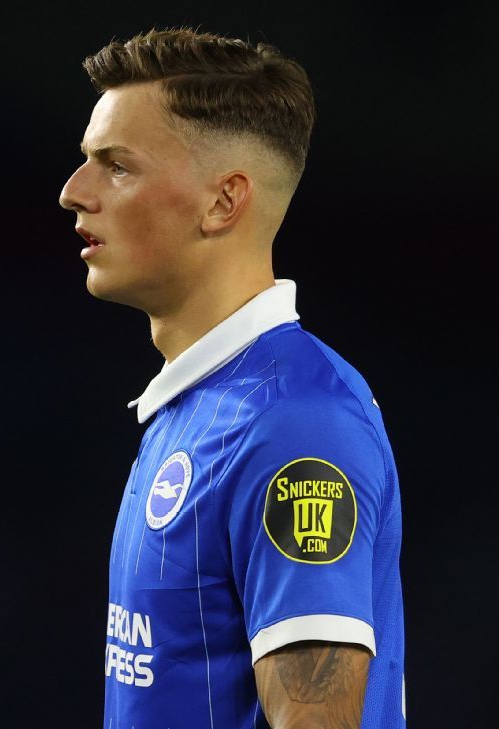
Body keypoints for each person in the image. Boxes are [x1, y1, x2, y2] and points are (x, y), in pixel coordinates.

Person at [59, 27, 407, 729]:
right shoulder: (199, 407)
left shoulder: (295, 422)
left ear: (223, 202)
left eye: (116, 166)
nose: (74, 192)